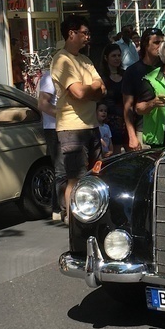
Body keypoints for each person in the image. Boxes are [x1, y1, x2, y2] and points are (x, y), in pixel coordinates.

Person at [51, 16, 105, 217]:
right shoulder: (61, 60)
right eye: (85, 33)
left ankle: (91, 215)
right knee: (75, 178)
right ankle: (74, 220)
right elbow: (79, 93)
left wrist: (91, 89)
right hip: (72, 128)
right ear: (71, 33)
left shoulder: (85, 60)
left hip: (91, 125)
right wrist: (92, 89)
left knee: (96, 173)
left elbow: (102, 89)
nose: (87, 37)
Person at [123, 28, 164, 150]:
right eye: (156, 43)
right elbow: (127, 106)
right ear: (145, 45)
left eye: (162, 43)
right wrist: (132, 136)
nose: (160, 46)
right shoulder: (133, 71)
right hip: (143, 131)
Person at [36, 67, 67, 221]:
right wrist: (65, 116)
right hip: (54, 128)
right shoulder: (49, 77)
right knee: (61, 168)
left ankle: (60, 206)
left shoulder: (69, 75)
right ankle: (59, 208)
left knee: (68, 168)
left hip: (67, 127)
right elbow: (43, 104)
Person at [99, 43, 127, 154]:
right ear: (106, 58)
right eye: (113, 56)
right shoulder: (101, 77)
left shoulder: (125, 74)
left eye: (119, 55)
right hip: (108, 121)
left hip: (125, 120)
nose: (117, 58)